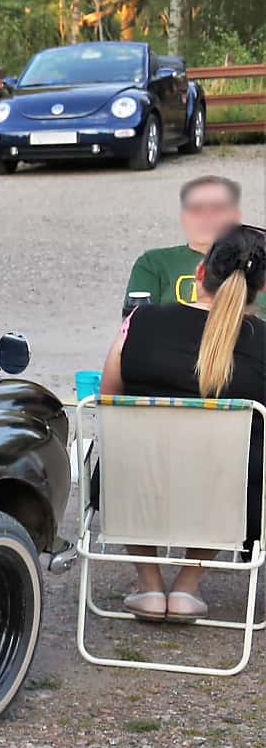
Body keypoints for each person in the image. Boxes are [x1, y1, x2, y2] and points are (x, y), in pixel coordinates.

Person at [99, 224, 266, 621]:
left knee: (126, 439)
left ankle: (150, 584)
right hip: (225, 498)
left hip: (136, 486)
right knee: (239, 460)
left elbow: (108, 397)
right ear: (259, 290)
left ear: (199, 274)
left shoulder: (141, 322)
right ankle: (189, 584)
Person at [124, 176, 262, 314]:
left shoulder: (257, 263)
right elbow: (135, 324)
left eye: (218, 209)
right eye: (196, 209)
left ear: (235, 216)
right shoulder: (154, 263)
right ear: (184, 217)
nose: (207, 217)